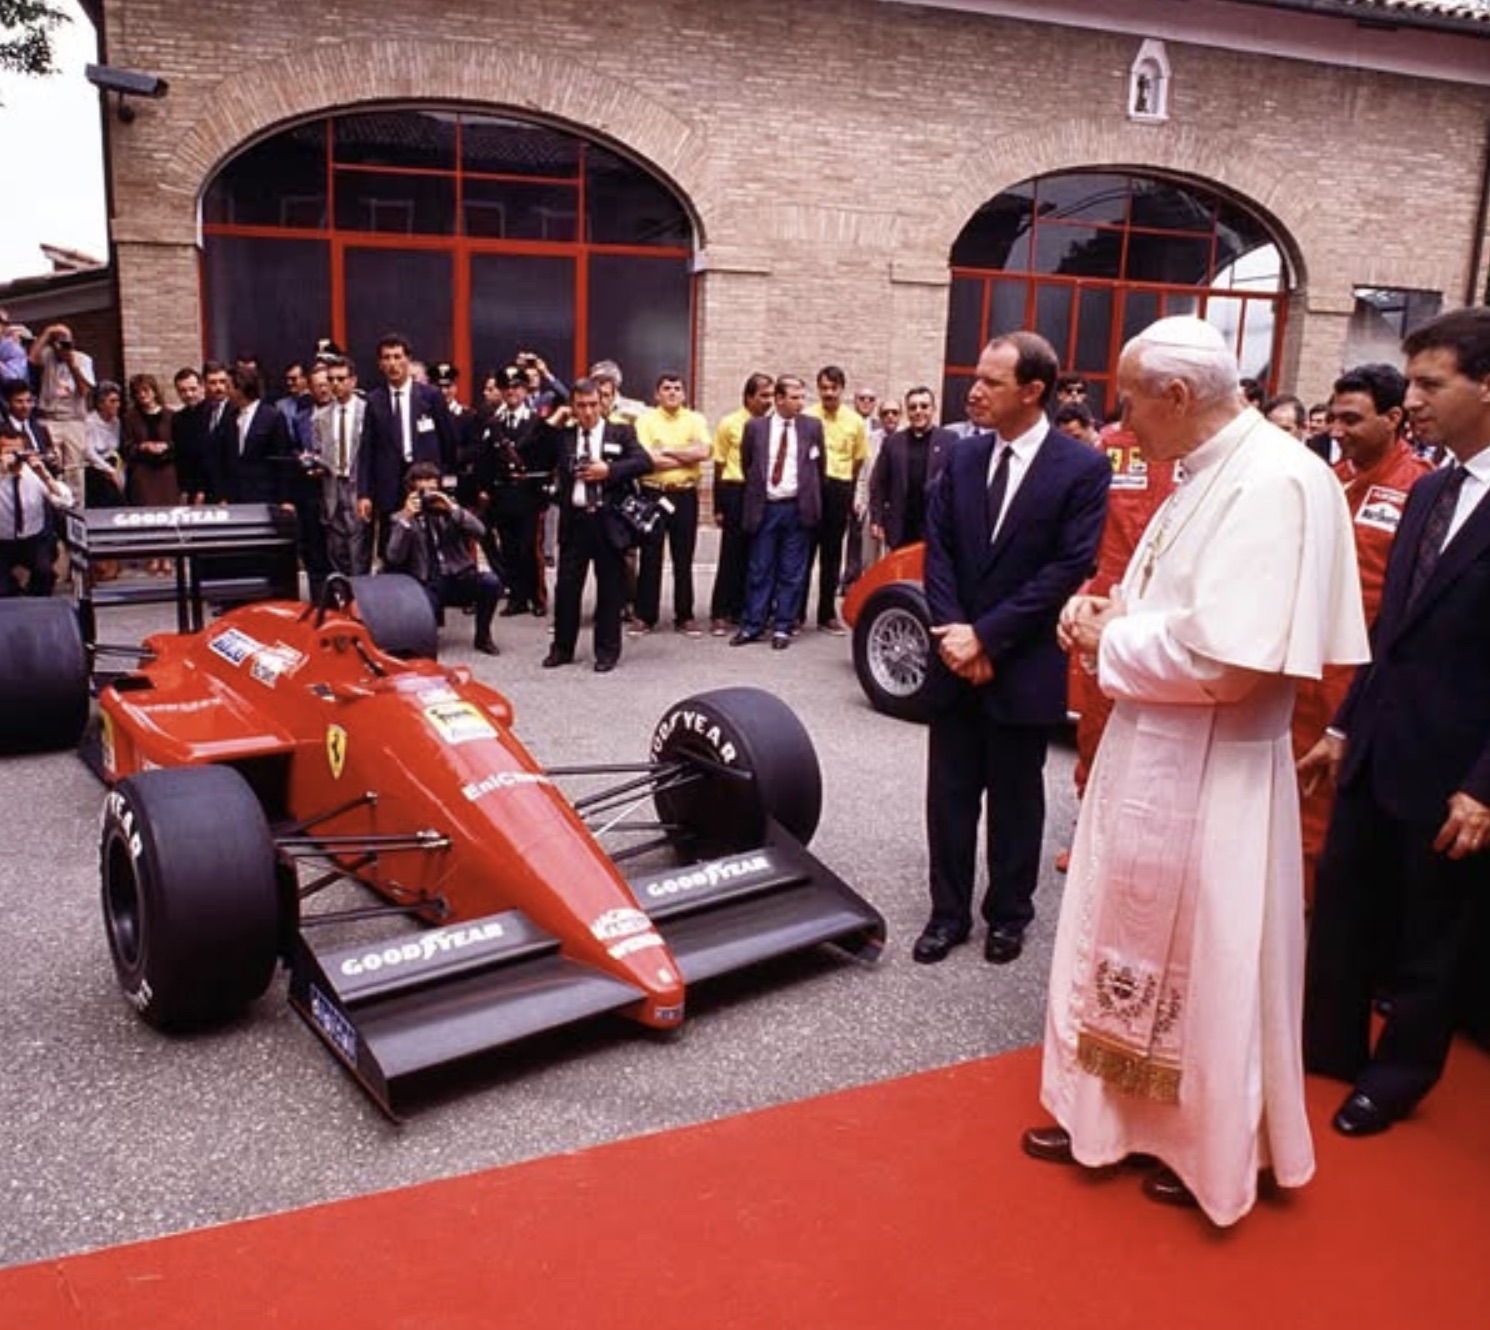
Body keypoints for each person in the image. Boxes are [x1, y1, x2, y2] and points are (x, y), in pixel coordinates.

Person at [1028, 316, 1366, 1227]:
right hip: (1149, 744)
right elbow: (1168, 600)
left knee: (1209, 962)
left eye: (1132, 402)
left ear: (1177, 396)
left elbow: (1229, 663)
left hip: (1214, 768)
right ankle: (1100, 1117)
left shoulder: (1275, 481)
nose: (1122, 423)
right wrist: (1103, 610)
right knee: (1111, 935)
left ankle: (1205, 1146)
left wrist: (1111, 638)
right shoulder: (1204, 470)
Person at [1301, 306, 1490, 1139]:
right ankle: (1327, 1049)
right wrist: (1343, 729)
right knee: (1344, 910)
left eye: (1429, 384)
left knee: (1431, 934)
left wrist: (1484, 787)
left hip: (1456, 771)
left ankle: (1398, 1075)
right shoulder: (1435, 489)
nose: (1411, 400)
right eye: (1409, 383)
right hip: (1375, 746)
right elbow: (1391, 633)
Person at [913, 332, 1110, 967]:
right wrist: (954, 634)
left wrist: (988, 635)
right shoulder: (961, 458)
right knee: (948, 795)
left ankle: (1008, 915)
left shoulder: (1079, 467)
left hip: (1020, 662)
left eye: (991, 382)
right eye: (976, 377)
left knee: (1015, 798)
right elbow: (938, 550)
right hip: (954, 657)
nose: (974, 390)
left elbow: (1066, 568)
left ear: (1033, 391)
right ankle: (947, 915)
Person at [1289, 364, 1429, 903]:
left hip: (1365, 683)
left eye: (1353, 419)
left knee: (1341, 822)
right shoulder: (1330, 481)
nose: (1338, 430)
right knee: (1298, 803)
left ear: (1394, 419)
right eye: (1334, 417)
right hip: (1307, 671)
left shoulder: (1419, 491)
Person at [543, 378, 652, 673]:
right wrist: (555, 420)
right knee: (567, 588)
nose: (588, 412)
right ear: (573, 407)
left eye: (593, 405)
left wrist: (610, 470)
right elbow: (530, 450)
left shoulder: (621, 431)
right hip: (575, 521)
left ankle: (606, 652)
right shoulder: (564, 436)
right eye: (581, 406)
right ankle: (562, 649)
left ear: (603, 404)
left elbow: (644, 462)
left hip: (608, 521)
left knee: (610, 590)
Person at [731, 375, 823, 650]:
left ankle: (783, 626)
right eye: (795, 398)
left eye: (802, 397)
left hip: (797, 508)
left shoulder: (812, 427)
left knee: (791, 571)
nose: (800, 403)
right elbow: (749, 464)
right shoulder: (756, 428)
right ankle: (752, 625)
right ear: (779, 399)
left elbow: (818, 466)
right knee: (760, 568)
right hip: (766, 508)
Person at [385, 462, 501, 656]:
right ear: (411, 491)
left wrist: (452, 508)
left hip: (457, 575)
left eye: (433, 489)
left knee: (491, 582)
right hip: (426, 581)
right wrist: (407, 517)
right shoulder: (400, 518)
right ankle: (425, 635)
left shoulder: (449, 512)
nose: (429, 495)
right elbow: (393, 557)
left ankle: (483, 636)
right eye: (423, 491)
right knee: (424, 631)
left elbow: (480, 531)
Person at [358, 333, 456, 558]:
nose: (393, 363)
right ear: (380, 364)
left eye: (397, 356)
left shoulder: (431, 396)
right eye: (387, 358)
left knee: (430, 546)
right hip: (389, 486)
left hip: (426, 481)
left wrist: (448, 483)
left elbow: (448, 441)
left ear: (408, 360)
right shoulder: (374, 400)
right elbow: (367, 450)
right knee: (392, 547)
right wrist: (364, 493)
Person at [632, 372, 709, 637]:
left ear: (685, 394)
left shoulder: (695, 419)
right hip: (653, 494)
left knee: (683, 558)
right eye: (666, 388)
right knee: (650, 557)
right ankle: (645, 616)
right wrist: (685, 454)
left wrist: (666, 450)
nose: (673, 392)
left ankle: (685, 616)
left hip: (685, 494)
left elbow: (703, 452)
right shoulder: (645, 420)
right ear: (657, 394)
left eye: (677, 388)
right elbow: (645, 459)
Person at [802, 365, 867, 634]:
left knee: (832, 554)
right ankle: (795, 613)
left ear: (842, 389)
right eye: (824, 388)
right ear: (818, 389)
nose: (828, 393)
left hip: (839, 488)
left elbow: (858, 459)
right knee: (804, 553)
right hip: (811, 488)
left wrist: (848, 489)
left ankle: (826, 614)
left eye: (834, 388)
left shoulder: (854, 421)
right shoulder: (806, 417)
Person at [709, 372, 774, 634]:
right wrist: (718, 505)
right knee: (731, 554)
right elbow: (719, 465)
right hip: (734, 490)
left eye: (771, 395)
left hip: (760, 493)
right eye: (763, 396)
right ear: (749, 397)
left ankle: (745, 610)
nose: (769, 401)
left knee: (755, 555)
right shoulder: (729, 423)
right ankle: (720, 612)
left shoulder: (771, 425)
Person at [868, 385, 955, 551]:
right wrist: (876, 519)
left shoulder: (949, 440)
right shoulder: (893, 442)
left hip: (935, 527)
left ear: (933, 409)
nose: (918, 411)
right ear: (907, 411)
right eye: (913, 407)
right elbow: (879, 484)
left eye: (924, 406)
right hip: (900, 526)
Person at [312, 356, 372, 577]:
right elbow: (318, 450)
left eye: (341, 379)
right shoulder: (320, 416)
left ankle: (360, 602)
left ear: (353, 381)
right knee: (337, 551)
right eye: (331, 379)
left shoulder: (367, 412)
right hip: (332, 487)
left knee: (359, 552)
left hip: (358, 487)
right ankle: (342, 600)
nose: (335, 384)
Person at [0, 421, 73, 597]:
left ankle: (35, 608)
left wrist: (45, 475)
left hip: (33, 538)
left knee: (45, 574)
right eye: (9, 452)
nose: (15, 457)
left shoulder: (34, 473)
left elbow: (65, 501)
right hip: (1, 541)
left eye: (19, 451)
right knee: (3, 590)